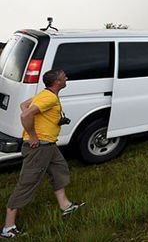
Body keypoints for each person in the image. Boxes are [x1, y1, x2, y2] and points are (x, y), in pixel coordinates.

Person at [4, 69, 84, 239]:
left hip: (49, 146)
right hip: (39, 147)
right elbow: (25, 113)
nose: (66, 78)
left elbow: (24, 105)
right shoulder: (48, 97)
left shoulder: (45, 94)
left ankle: (65, 206)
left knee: (59, 170)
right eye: (64, 77)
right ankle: (8, 228)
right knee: (27, 183)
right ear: (57, 82)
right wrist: (33, 135)